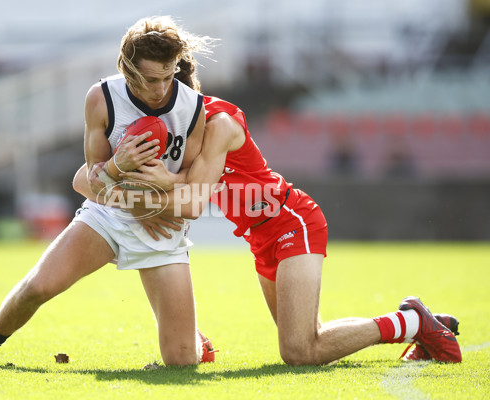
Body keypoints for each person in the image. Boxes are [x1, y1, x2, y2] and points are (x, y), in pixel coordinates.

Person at [73, 64, 462, 365]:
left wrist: (144, 187)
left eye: (168, 93)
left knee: (300, 351)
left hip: (291, 222)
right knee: (309, 339)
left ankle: (412, 321)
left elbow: (194, 194)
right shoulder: (172, 132)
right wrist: (111, 176)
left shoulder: (216, 124)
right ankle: (426, 325)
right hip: (261, 236)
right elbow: (83, 179)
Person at [0, 16, 217, 368]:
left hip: (161, 223)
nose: (160, 89)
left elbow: (190, 180)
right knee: (39, 287)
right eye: (151, 79)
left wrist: (156, 196)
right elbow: (92, 179)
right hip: (108, 215)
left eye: (168, 77)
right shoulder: (102, 98)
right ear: (128, 71)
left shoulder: (193, 107)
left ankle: (192, 340)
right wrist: (118, 166)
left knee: (183, 361)